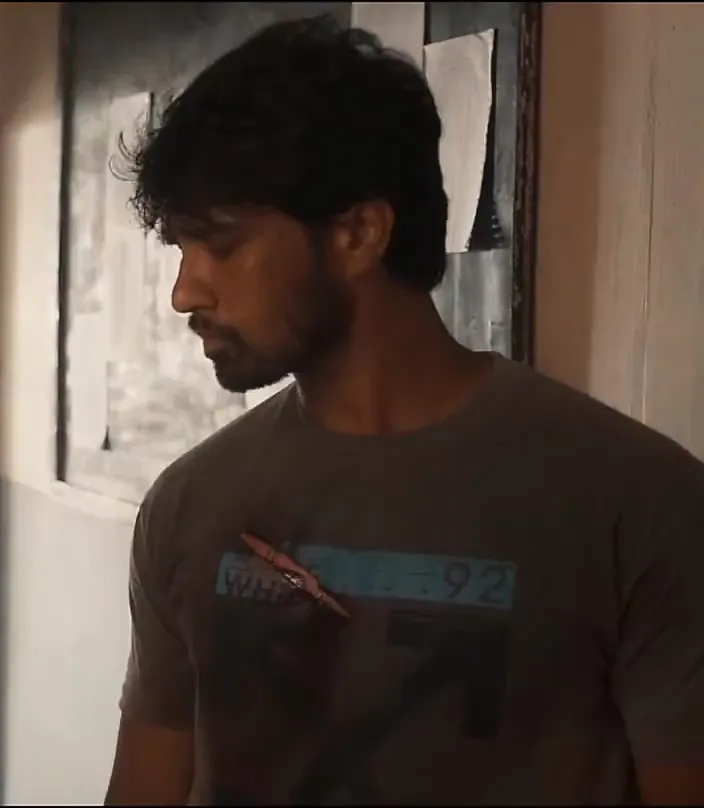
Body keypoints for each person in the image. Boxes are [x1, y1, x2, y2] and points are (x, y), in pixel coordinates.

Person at [103, 16, 704, 806]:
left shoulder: (640, 504)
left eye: (220, 245)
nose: (186, 292)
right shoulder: (191, 505)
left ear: (358, 233)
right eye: (181, 251)